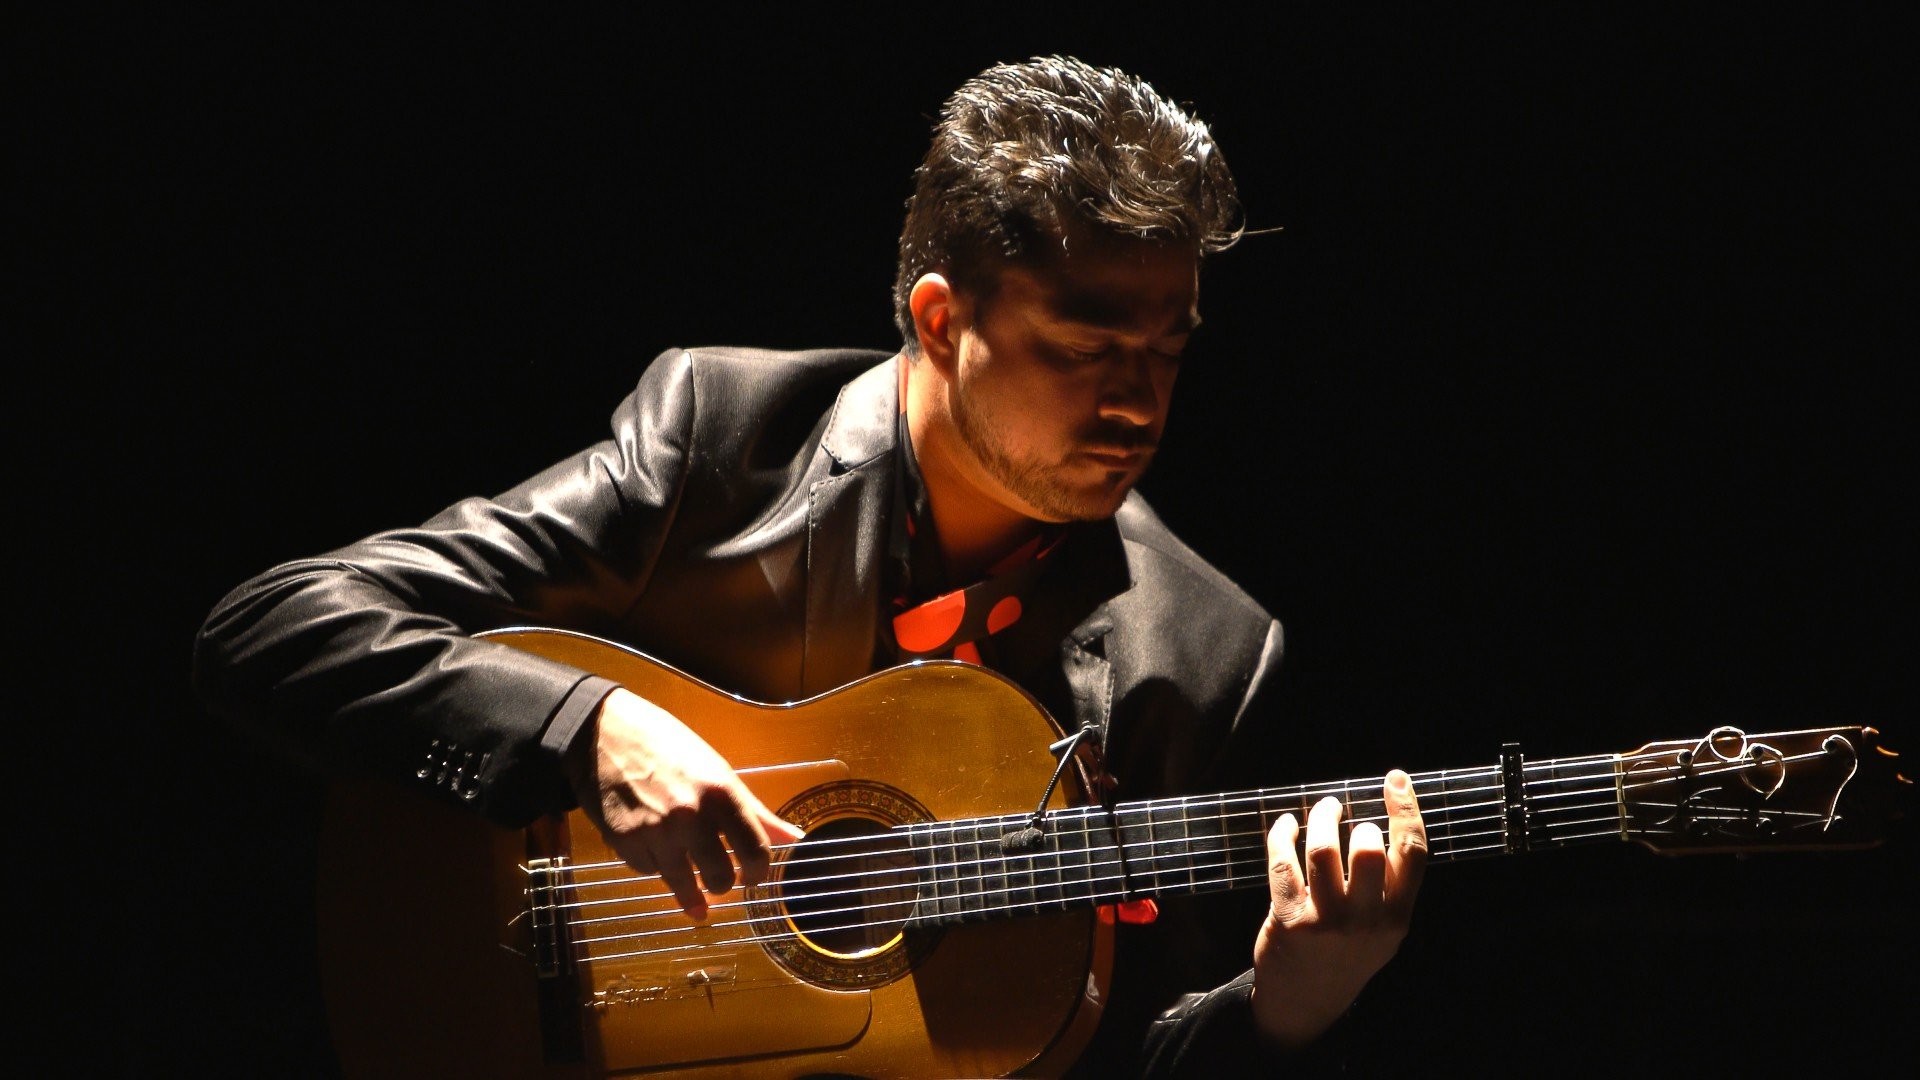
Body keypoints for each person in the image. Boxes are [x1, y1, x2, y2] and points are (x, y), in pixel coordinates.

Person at [193, 55, 1427, 1077]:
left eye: (1168, 347)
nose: (1139, 403)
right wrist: (591, 730)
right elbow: (270, 627)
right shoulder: (719, 444)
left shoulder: (1203, 651)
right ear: (942, 322)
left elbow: (1118, 1051)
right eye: (1086, 344)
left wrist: (1288, 1009)